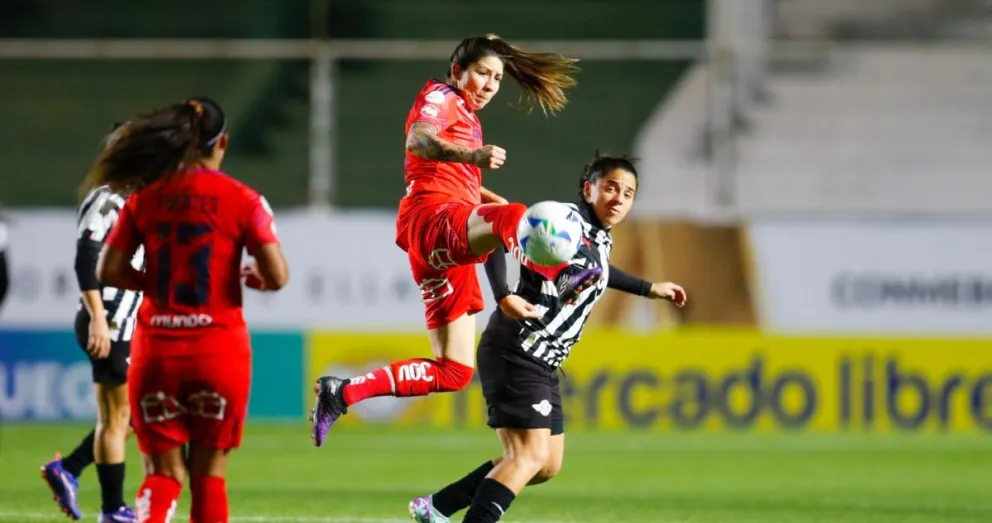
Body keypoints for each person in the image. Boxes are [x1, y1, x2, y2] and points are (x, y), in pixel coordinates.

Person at [311, 34, 589, 446]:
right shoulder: (441, 96)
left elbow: (450, 177)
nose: (491, 85)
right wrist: (473, 159)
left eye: (497, 78)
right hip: (432, 218)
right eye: (482, 73)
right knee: (511, 218)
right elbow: (419, 141)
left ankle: (343, 392)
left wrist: (480, 190)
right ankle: (564, 273)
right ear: (458, 71)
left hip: (439, 238)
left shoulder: (468, 115)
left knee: (453, 371)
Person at [408, 153, 687, 523]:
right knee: (527, 456)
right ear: (589, 190)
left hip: (543, 360)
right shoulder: (560, 221)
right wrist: (503, 294)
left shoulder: (599, 238)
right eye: (611, 188)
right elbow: (494, 232)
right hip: (519, 348)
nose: (619, 198)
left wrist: (650, 288)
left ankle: (437, 506)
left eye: (628, 193)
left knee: (545, 464)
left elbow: (599, 272)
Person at [92, 97, 289, 523]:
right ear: (223, 143)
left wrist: (158, 285)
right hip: (218, 350)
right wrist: (255, 279)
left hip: (157, 351)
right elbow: (277, 274)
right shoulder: (244, 199)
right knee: (209, 477)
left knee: (163, 474)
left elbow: (108, 268)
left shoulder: (145, 199)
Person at [41, 122, 142, 523]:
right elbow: (86, 258)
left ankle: (69, 469)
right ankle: (112, 508)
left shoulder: (137, 202)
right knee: (117, 419)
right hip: (110, 323)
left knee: (134, 415)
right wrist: (99, 317)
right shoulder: (107, 199)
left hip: (128, 325)